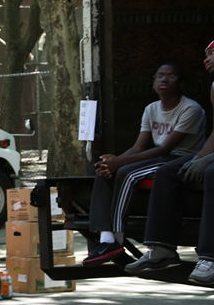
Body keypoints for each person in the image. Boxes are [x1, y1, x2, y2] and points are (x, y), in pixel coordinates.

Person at [83, 62, 205, 265]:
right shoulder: (151, 109)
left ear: (180, 82)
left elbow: (164, 148)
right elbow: (138, 147)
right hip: (160, 157)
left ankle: (117, 238)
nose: (164, 79)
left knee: (128, 174)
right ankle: (106, 238)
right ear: (153, 82)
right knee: (105, 172)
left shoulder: (191, 109)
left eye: (171, 76)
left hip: (182, 158)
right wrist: (113, 162)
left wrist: (119, 163)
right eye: (160, 75)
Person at [127, 38, 214, 284]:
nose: (206, 59)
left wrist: (213, 158)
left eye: (212, 52)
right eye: (205, 54)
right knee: (168, 172)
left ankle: (213, 257)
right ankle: (161, 249)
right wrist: (198, 159)